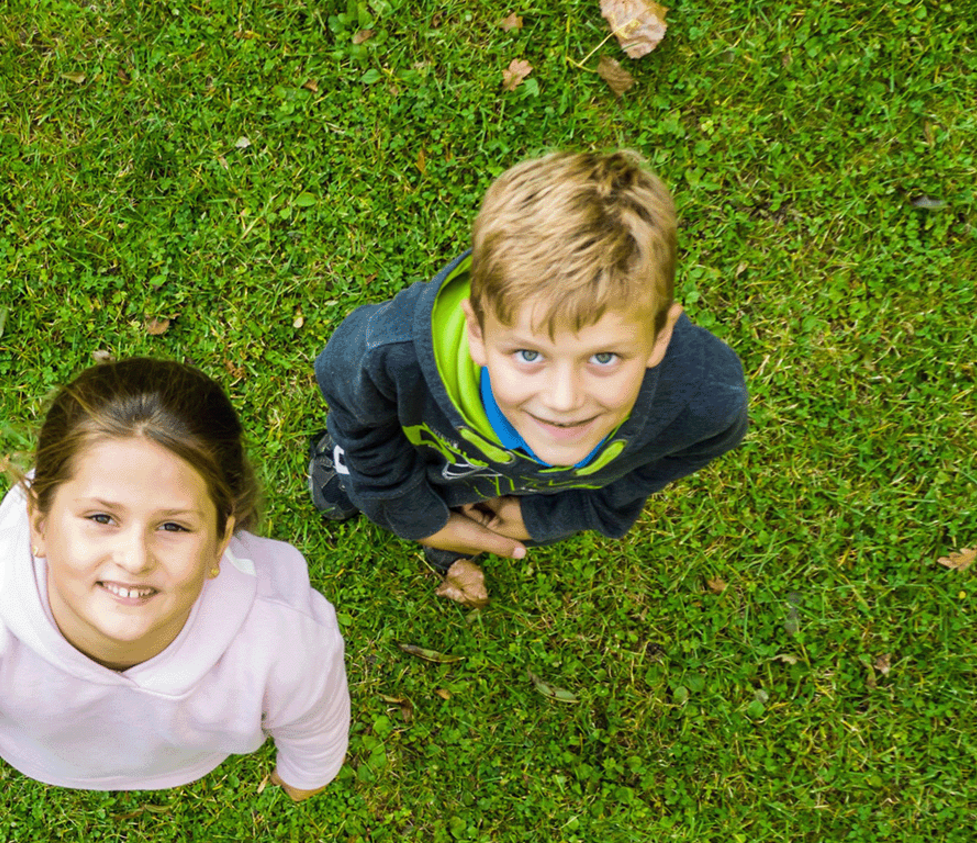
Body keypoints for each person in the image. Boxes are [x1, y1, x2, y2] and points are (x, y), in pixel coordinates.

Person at [0, 358, 349, 797]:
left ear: (222, 540)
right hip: (34, 753)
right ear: (39, 522)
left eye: (173, 526)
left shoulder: (286, 641)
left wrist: (309, 769)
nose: (135, 557)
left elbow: (314, 717)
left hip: (188, 760)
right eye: (102, 518)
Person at [309, 150, 749, 606]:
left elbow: (680, 455)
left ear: (660, 336)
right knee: (365, 476)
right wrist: (414, 515)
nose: (563, 401)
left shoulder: (705, 397)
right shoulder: (388, 354)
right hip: (418, 454)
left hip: (524, 493)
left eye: (603, 357)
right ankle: (351, 480)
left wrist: (552, 517)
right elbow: (358, 420)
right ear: (477, 332)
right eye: (527, 353)